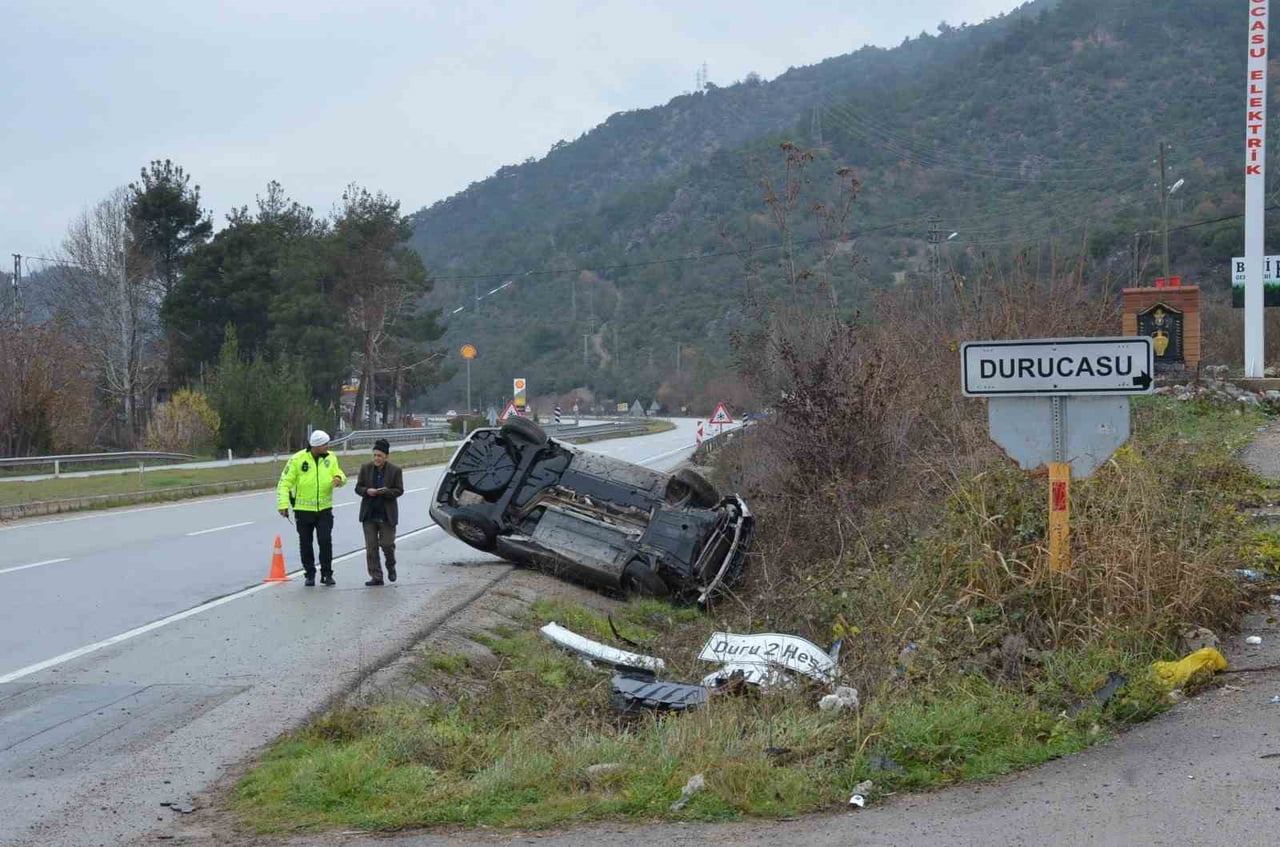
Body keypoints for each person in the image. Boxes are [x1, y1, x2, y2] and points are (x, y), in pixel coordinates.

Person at [276, 430, 346, 586]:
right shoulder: (297, 459)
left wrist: (339, 478)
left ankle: (327, 574)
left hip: (324, 509)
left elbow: (339, 473)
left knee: (325, 541)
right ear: (317, 446)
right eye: (325, 444)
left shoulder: (331, 457)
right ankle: (309, 574)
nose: (328, 446)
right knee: (306, 543)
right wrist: (282, 504)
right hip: (303, 510)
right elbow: (284, 483)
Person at [355, 438, 404, 586]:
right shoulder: (365, 468)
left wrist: (386, 492)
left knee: (387, 544)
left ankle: (391, 564)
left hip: (386, 514)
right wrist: (367, 491)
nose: (376, 458)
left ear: (386, 457)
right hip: (369, 514)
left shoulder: (395, 470)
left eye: (380, 456)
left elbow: (399, 490)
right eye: (375, 455)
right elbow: (358, 487)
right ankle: (376, 576)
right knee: (371, 547)